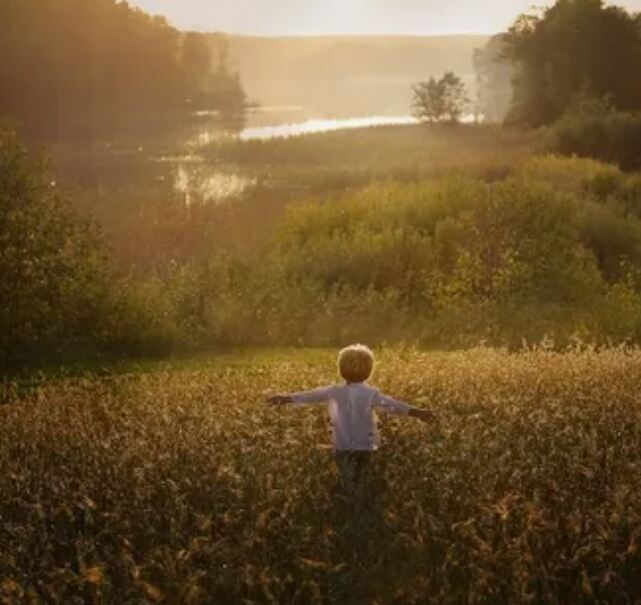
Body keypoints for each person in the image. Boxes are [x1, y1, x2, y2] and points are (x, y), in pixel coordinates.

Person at [266, 344, 438, 489]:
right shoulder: (371, 394)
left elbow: (309, 396)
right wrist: (418, 413)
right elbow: (394, 406)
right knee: (362, 478)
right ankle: (360, 502)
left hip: (342, 445)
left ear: (341, 369)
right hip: (367, 445)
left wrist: (285, 399)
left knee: (347, 478)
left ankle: (349, 498)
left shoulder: (333, 391)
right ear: (369, 370)